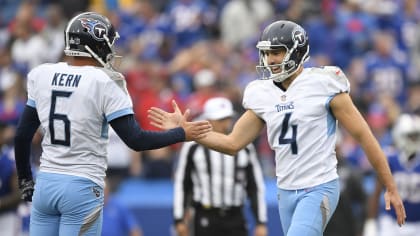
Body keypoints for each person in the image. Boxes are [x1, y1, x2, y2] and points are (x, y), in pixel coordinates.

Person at [148, 20, 406, 236]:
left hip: (318, 186)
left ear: (296, 51)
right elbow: (232, 143)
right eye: (268, 53)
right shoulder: (261, 93)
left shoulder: (325, 84)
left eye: (277, 52)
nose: (270, 59)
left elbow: (364, 136)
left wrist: (390, 185)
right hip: (286, 191)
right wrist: (186, 132)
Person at [13, 11, 211, 236]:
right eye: (107, 42)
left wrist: (26, 180)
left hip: (46, 183)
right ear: (95, 44)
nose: (110, 49)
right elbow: (136, 140)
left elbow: (21, 136)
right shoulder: (106, 81)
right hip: (82, 185)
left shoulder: (42, 74)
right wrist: (181, 133)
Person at [173, 97, 267, 236]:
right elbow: (182, 183)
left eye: (227, 118)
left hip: (235, 215)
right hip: (205, 215)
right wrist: (179, 219)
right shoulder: (193, 146)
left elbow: (255, 186)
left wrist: (261, 222)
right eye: (220, 119)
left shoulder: (245, 147)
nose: (226, 124)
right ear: (208, 120)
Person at [363, 113, 420, 236]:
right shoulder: (390, 159)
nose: (415, 140)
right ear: (400, 136)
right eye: (411, 136)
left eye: (417, 136)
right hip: (391, 223)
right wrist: (371, 222)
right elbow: (376, 191)